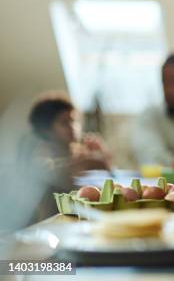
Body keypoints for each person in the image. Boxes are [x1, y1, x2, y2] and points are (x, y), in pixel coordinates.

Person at [19, 93, 112, 221]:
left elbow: (107, 171)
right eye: (64, 122)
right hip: (53, 223)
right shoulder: (42, 152)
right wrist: (86, 162)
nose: (72, 127)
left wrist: (103, 155)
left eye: (73, 120)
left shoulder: (78, 149)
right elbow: (47, 171)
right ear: (46, 129)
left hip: (81, 217)